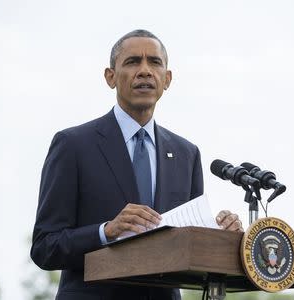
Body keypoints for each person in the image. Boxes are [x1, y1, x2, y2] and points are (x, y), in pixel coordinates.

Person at [30, 29, 243, 300]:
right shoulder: (73, 145)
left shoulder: (186, 153)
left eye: (154, 62)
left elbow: (190, 246)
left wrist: (221, 236)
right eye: (132, 62)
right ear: (110, 77)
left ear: (167, 79)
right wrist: (105, 231)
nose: (144, 71)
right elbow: (45, 247)